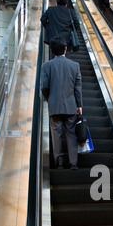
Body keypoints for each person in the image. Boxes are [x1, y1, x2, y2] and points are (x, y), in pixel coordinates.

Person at [40, 36, 82, 170]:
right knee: (71, 134)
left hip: (54, 105)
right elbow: (77, 87)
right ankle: (73, 162)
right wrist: (79, 105)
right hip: (70, 106)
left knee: (56, 135)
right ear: (65, 49)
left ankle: (59, 162)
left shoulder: (46, 66)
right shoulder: (74, 65)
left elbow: (44, 87)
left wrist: (49, 98)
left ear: (52, 50)